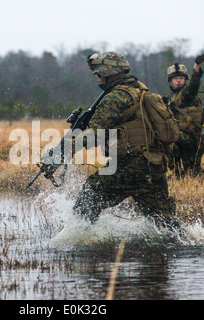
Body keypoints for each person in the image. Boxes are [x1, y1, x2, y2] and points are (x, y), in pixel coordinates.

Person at [72, 51, 179, 230]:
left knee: (89, 196)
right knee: (164, 222)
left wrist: (66, 149)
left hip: (130, 167)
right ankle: (189, 242)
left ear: (111, 72)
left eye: (100, 73)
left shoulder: (115, 97)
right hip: (154, 166)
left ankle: (79, 236)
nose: (97, 77)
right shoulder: (138, 91)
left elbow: (94, 134)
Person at [165, 53, 204, 177]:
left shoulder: (187, 94)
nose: (178, 80)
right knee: (192, 174)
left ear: (185, 79)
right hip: (184, 140)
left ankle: (176, 171)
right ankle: (177, 171)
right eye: (175, 78)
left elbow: (193, 85)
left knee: (166, 136)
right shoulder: (172, 98)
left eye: (181, 77)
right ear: (171, 81)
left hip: (192, 140)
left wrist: (197, 66)